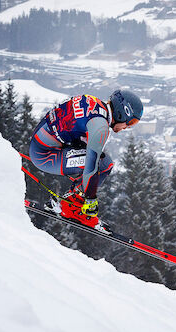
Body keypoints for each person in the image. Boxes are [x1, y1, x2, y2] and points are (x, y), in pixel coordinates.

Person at [28, 89, 143, 234]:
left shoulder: (96, 105)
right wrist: (90, 199)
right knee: (103, 165)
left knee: (102, 162)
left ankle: (72, 201)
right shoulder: (100, 126)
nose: (128, 127)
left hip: (43, 145)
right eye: (131, 122)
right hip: (45, 156)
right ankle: (71, 208)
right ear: (122, 112)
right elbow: (91, 166)